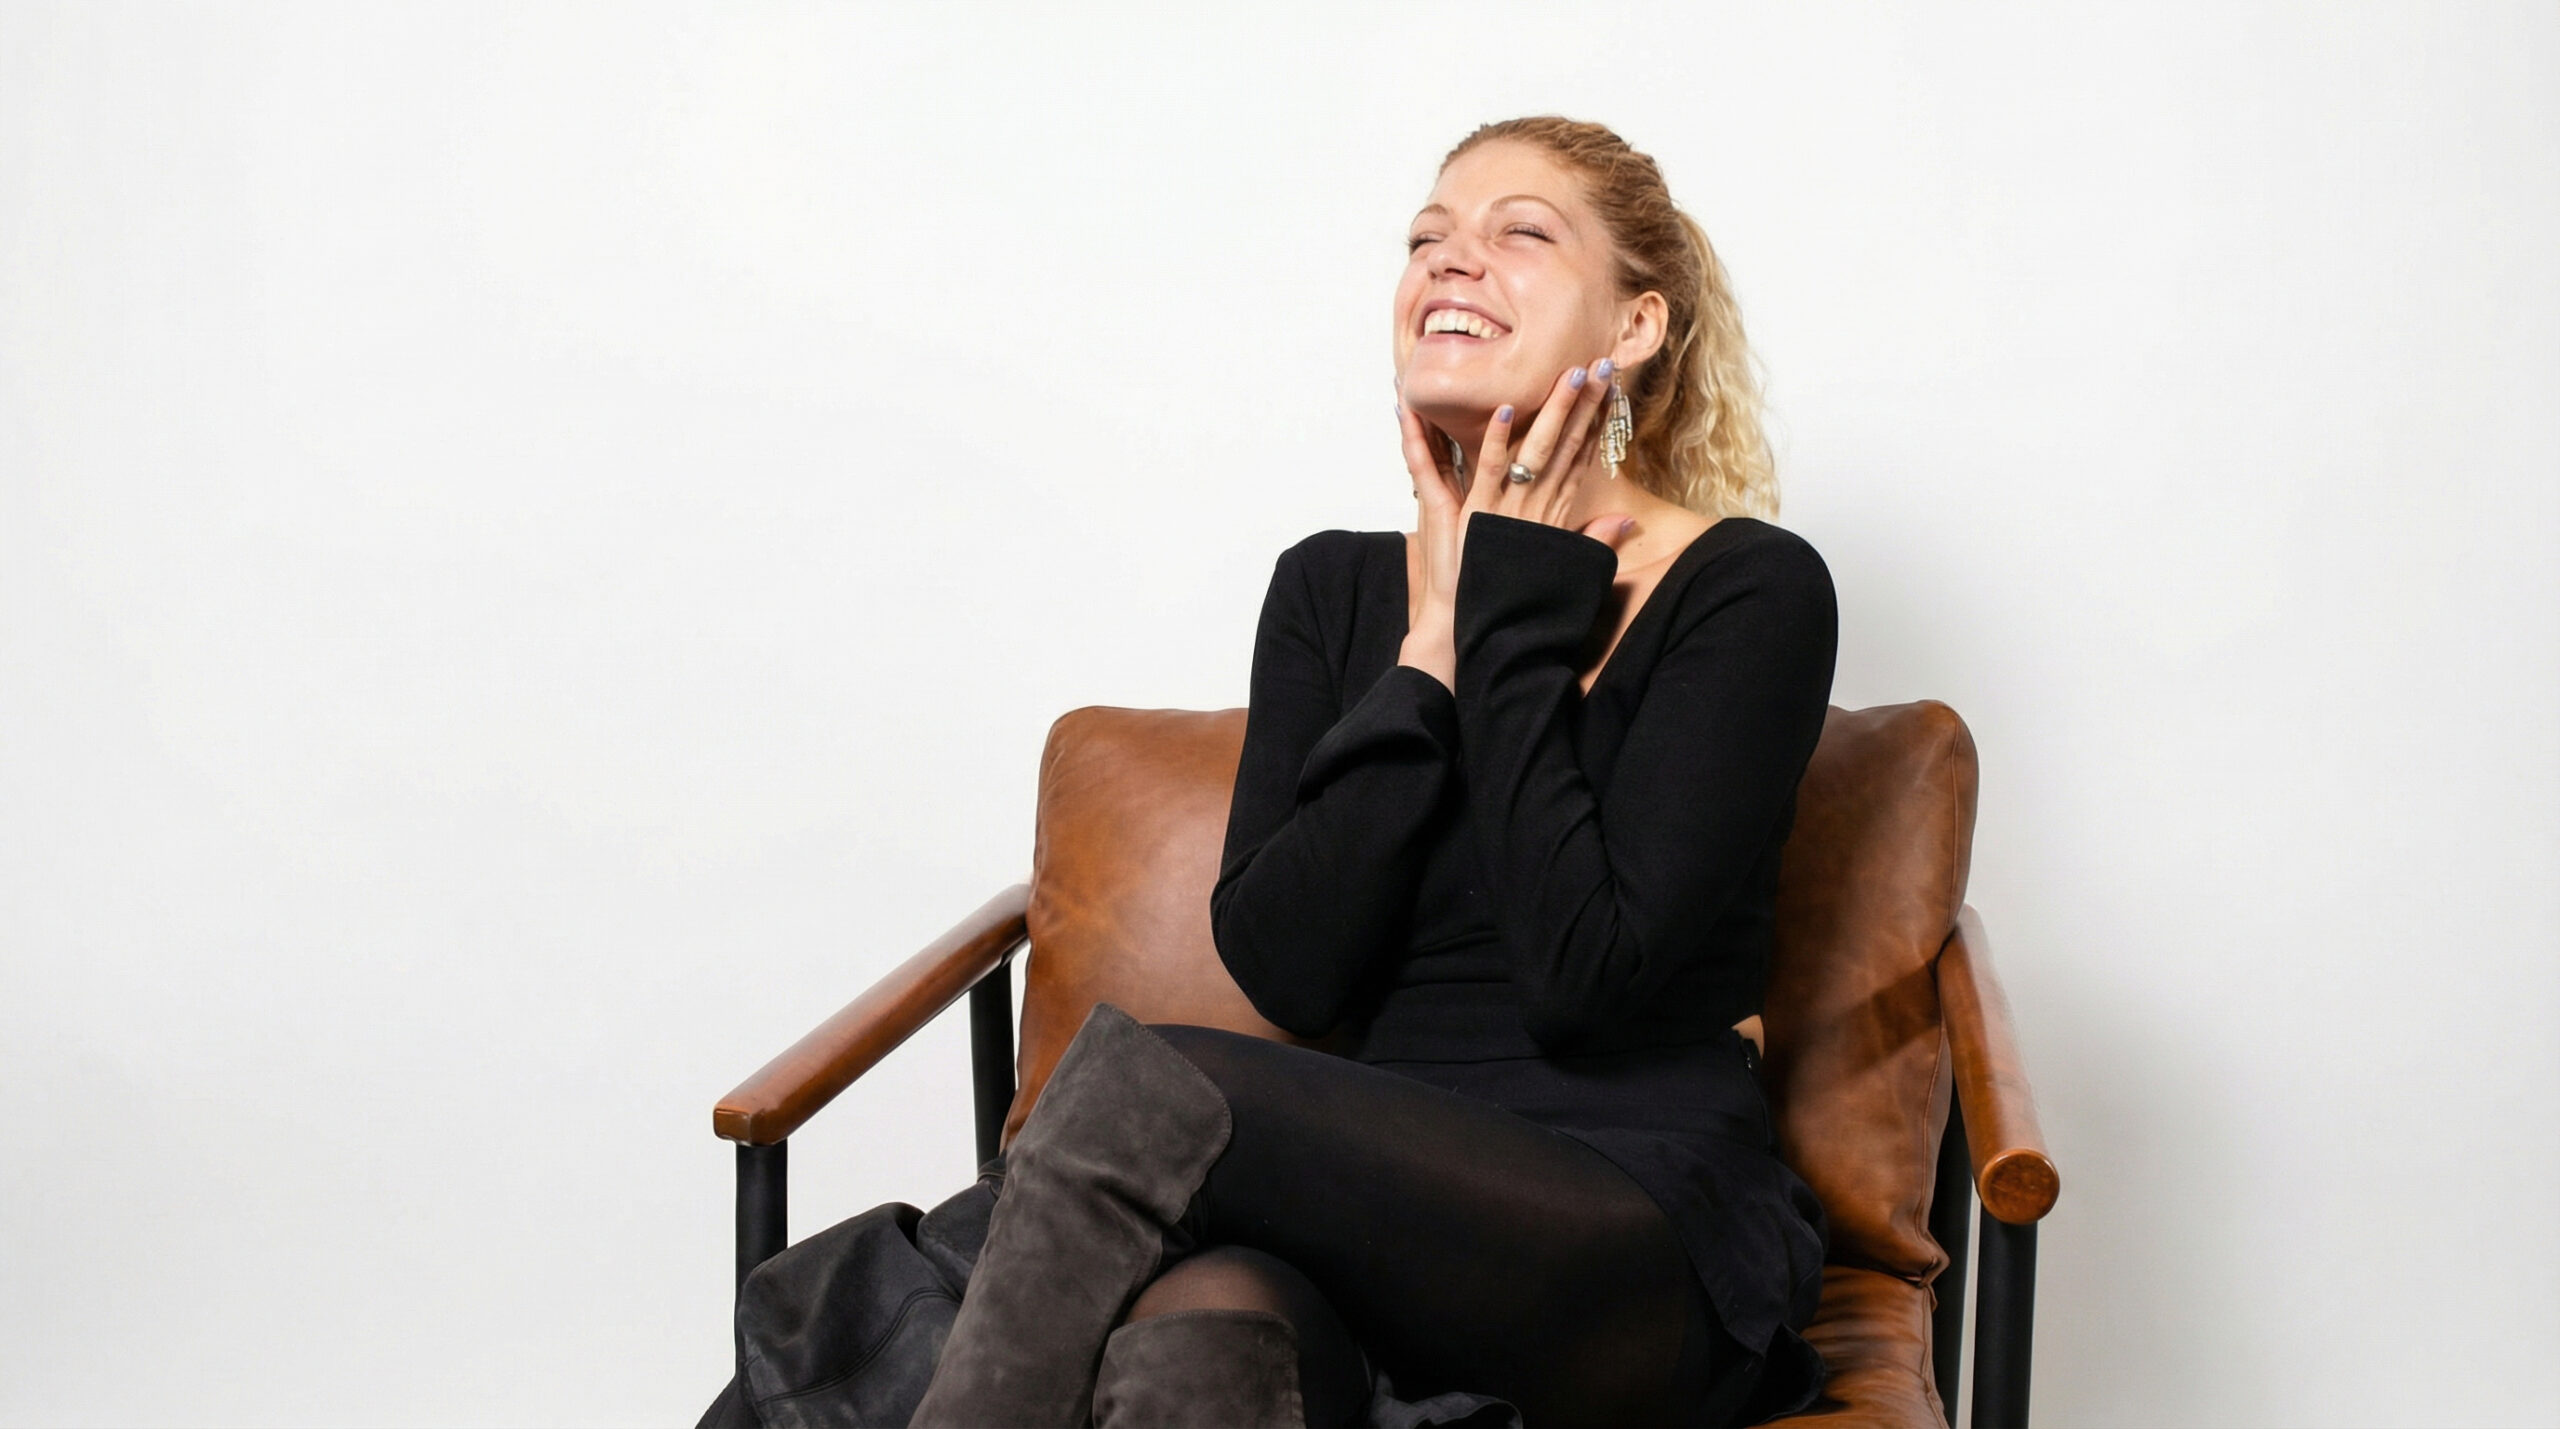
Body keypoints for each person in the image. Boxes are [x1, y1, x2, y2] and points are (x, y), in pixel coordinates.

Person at [703, 115, 1838, 1429]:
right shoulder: (1331, 591)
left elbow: (1585, 981)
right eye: (1426, 238)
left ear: (1635, 325)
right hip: (1350, 1220)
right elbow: (1291, 971)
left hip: (1621, 1231)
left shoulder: (1749, 589)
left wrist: (1511, 613)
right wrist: (1426, 658)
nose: (1450, 260)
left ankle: (818, 1371)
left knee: (1150, 1083)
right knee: (1201, 1328)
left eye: (1520, 233)